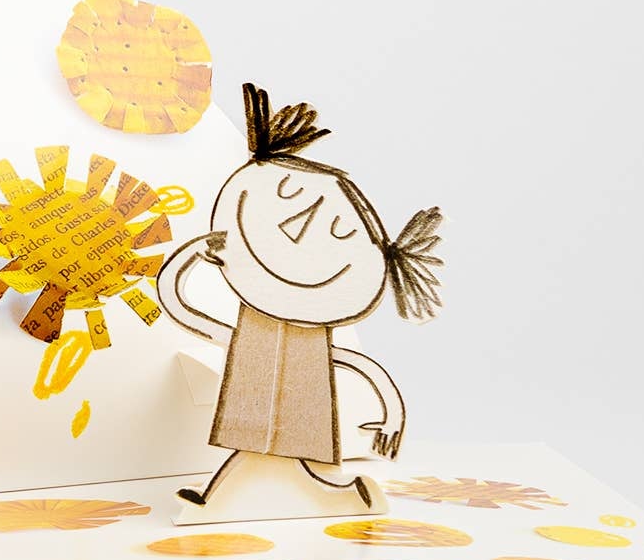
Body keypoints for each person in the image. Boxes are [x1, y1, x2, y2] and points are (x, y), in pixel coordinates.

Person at [154, 84, 441, 511]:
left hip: (302, 427)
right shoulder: (251, 332)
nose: (296, 231)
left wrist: (393, 418)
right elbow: (177, 302)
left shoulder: (308, 336)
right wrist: (194, 253)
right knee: (255, 455)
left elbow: (355, 364)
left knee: (278, 462)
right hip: (257, 422)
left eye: (337, 233)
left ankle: (338, 499)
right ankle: (223, 501)